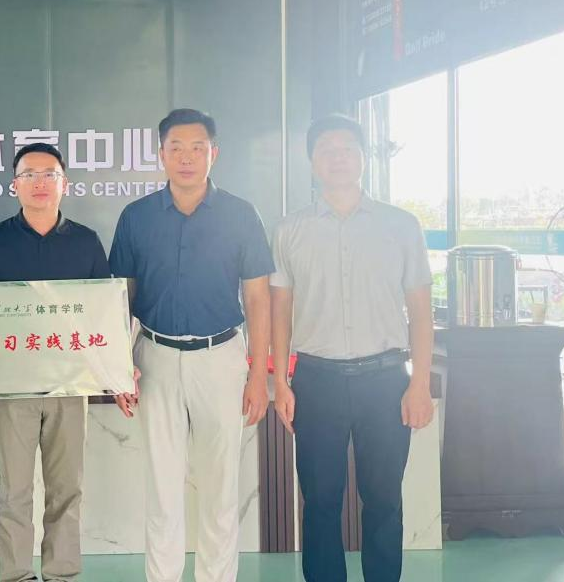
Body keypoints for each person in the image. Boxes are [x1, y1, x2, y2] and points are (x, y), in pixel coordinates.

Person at [109, 108, 273, 582]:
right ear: (161, 154)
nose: (186, 158)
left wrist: (257, 374)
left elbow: (257, 297)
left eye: (197, 148)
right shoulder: (136, 217)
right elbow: (121, 298)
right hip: (154, 357)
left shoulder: (241, 215)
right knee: (162, 488)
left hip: (221, 358)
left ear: (213, 154)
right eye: (176, 148)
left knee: (221, 486)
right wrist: (119, 367)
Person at [270, 114, 434, 582]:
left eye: (347, 148)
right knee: (320, 500)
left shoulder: (401, 226)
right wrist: (280, 381)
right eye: (326, 149)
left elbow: (421, 311)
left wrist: (419, 384)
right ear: (311, 161)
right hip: (316, 380)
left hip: (385, 379)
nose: (337, 157)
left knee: (383, 499)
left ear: (363, 158)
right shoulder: (289, 230)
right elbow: (280, 311)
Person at [0, 143, 115, 582]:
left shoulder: (86, 242)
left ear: (65, 183)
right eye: (29, 174)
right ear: (14, 185)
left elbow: (103, 313)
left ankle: (61, 573)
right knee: (14, 492)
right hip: (11, 388)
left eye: (49, 174)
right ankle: (16, 574)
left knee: (67, 489)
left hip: (71, 384)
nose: (40, 182)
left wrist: (114, 370)